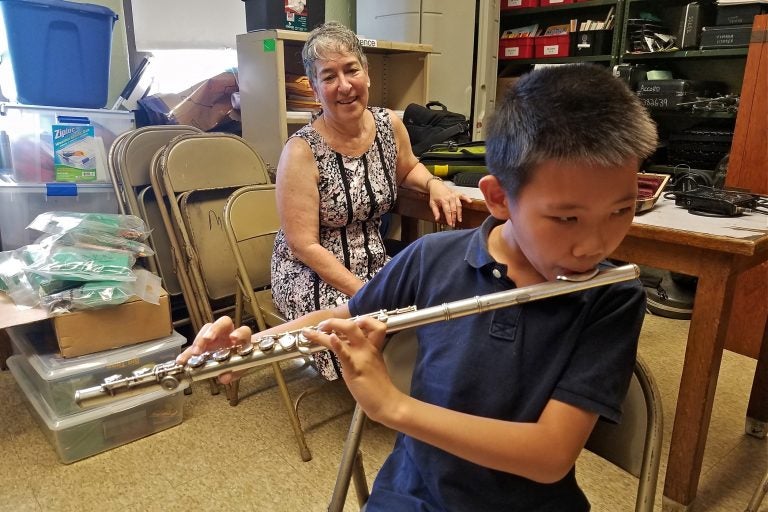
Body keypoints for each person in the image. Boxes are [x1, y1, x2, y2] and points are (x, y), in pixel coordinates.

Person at [179, 63, 658, 510]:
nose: (594, 244)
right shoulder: (434, 257)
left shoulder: (611, 296)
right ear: (498, 199)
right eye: (567, 218)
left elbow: (550, 455)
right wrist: (251, 345)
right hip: (412, 493)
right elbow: (343, 320)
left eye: (621, 210)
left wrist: (393, 408)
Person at [269, 21, 469, 380]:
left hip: (373, 256)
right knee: (363, 318)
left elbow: (407, 168)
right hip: (310, 271)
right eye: (329, 77)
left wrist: (435, 185)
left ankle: (419, 381)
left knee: (431, 299)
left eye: (351, 70)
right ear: (315, 89)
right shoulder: (301, 151)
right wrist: (366, 293)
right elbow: (303, 245)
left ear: (367, 74)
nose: (344, 85)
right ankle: (385, 392)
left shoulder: (389, 124)